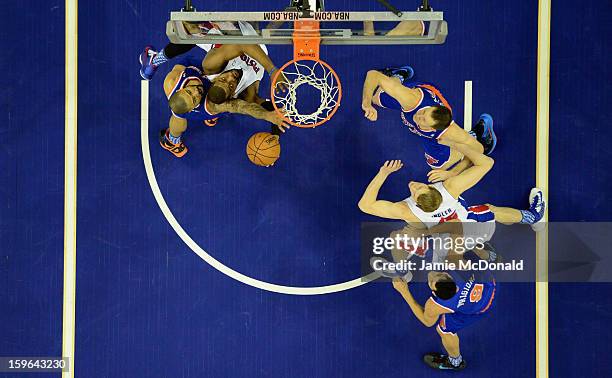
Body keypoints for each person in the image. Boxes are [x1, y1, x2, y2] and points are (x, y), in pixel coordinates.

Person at [357, 140, 546, 231]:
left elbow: (365, 205)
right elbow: (487, 163)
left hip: (443, 238)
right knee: (489, 210)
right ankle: (533, 217)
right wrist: (456, 155)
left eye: (415, 191)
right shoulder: (450, 188)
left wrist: (383, 174)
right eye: (418, 188)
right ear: (432, 187)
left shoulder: (406, 211)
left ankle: (532, 219)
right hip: (461, 227)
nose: (413, 186)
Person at [361, 66, 497, 180]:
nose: (417, 116)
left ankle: (475, 135)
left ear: (432, 128)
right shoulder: (412, 102)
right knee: (375, 97)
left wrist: (452, 173)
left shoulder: (447, 132)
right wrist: (366, 104)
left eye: (422, 119)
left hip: (435, 136)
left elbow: (479, 149)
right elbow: (373, 75)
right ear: (429, 108)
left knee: (438, 166)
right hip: (413, 95)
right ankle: (400, 76)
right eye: (422, 113)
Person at [391, 250, 497, 371]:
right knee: (467, 253)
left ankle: (455, 362)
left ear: (434, 293)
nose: (431, 276)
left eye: (431, 282)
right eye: (439, 275)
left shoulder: (437, 304)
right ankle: (490, 254)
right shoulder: (459, 266)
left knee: (443, 330)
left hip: (477, 309)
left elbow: (427, 322)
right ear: (448, 275)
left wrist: (404, 292)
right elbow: (472, 256)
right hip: (491, 289)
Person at [159, 62, 287, 157]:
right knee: (179, 116)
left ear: (181, 89)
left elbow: (179, 65)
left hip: (200, 73)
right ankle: (171, 140)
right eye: (194, 99)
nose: (196, 92)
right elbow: (241, 107)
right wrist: (267, 115)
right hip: (209, 105)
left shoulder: (171, 82)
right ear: (193, 107)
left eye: (189, 91)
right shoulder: (212, 105)